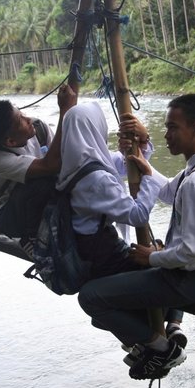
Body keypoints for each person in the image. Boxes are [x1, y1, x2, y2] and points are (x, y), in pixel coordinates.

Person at [78, 94, 195, 381]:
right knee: (106, 306)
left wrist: (151, 257)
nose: (166, 135)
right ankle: (167, 329)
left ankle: (161, 349)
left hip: (187, 280)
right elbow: (171, 192)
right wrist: (146, 166)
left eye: (173, 128)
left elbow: (194, 251)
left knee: (91, 298)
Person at [56, 101, 163, 279]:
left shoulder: (72, 160)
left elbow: (124, 165)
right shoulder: (96, 179)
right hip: (101, 256)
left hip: (84, 247)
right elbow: (138, 215)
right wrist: (150, 177)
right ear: (95, 128)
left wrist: (142, 141)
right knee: (158, 267)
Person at [0, 84, 76, 240]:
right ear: (10, 141)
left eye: (21, 113)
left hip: (31, 204)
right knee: (43, 182)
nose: (28, 119)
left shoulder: (38, 128)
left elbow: (65, 154)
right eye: (20, 120)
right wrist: (66, 111)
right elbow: (51, 165)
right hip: (6, 214)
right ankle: (31, 238)